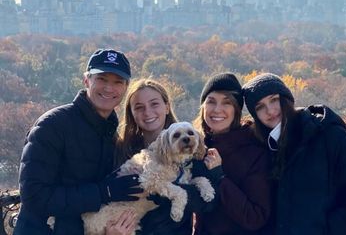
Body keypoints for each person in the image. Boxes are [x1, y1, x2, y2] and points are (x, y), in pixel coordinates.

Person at [14, 49, 143, 235]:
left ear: (125, 87)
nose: (109, 88)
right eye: (102, 79)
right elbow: (34, 195)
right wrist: (102, 193)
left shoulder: (115, 138)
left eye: (117, 82)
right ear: (86, 80)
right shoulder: (53, 125)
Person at [242, 73, 346, 235]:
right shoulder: (265, 148)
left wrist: (329, 229)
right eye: (260, 107)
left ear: (286, 99)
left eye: (274, 100)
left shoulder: (328, 135)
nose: (270, 110)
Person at [115, 78, 219, 235]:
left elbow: (209, 204)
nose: (148, 112)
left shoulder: (191, 150)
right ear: (131, 113)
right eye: (139, 107)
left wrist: (167, 193)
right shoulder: (121, 149)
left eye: (154, 104)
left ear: (167, 107)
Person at [193, 73, 271, 235]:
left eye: (226, 103)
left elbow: (255, 217)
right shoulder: (197, 148)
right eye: (211, 101)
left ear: (236, 110)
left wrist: (220, 177)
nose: (217, 109)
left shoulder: (254, 152)